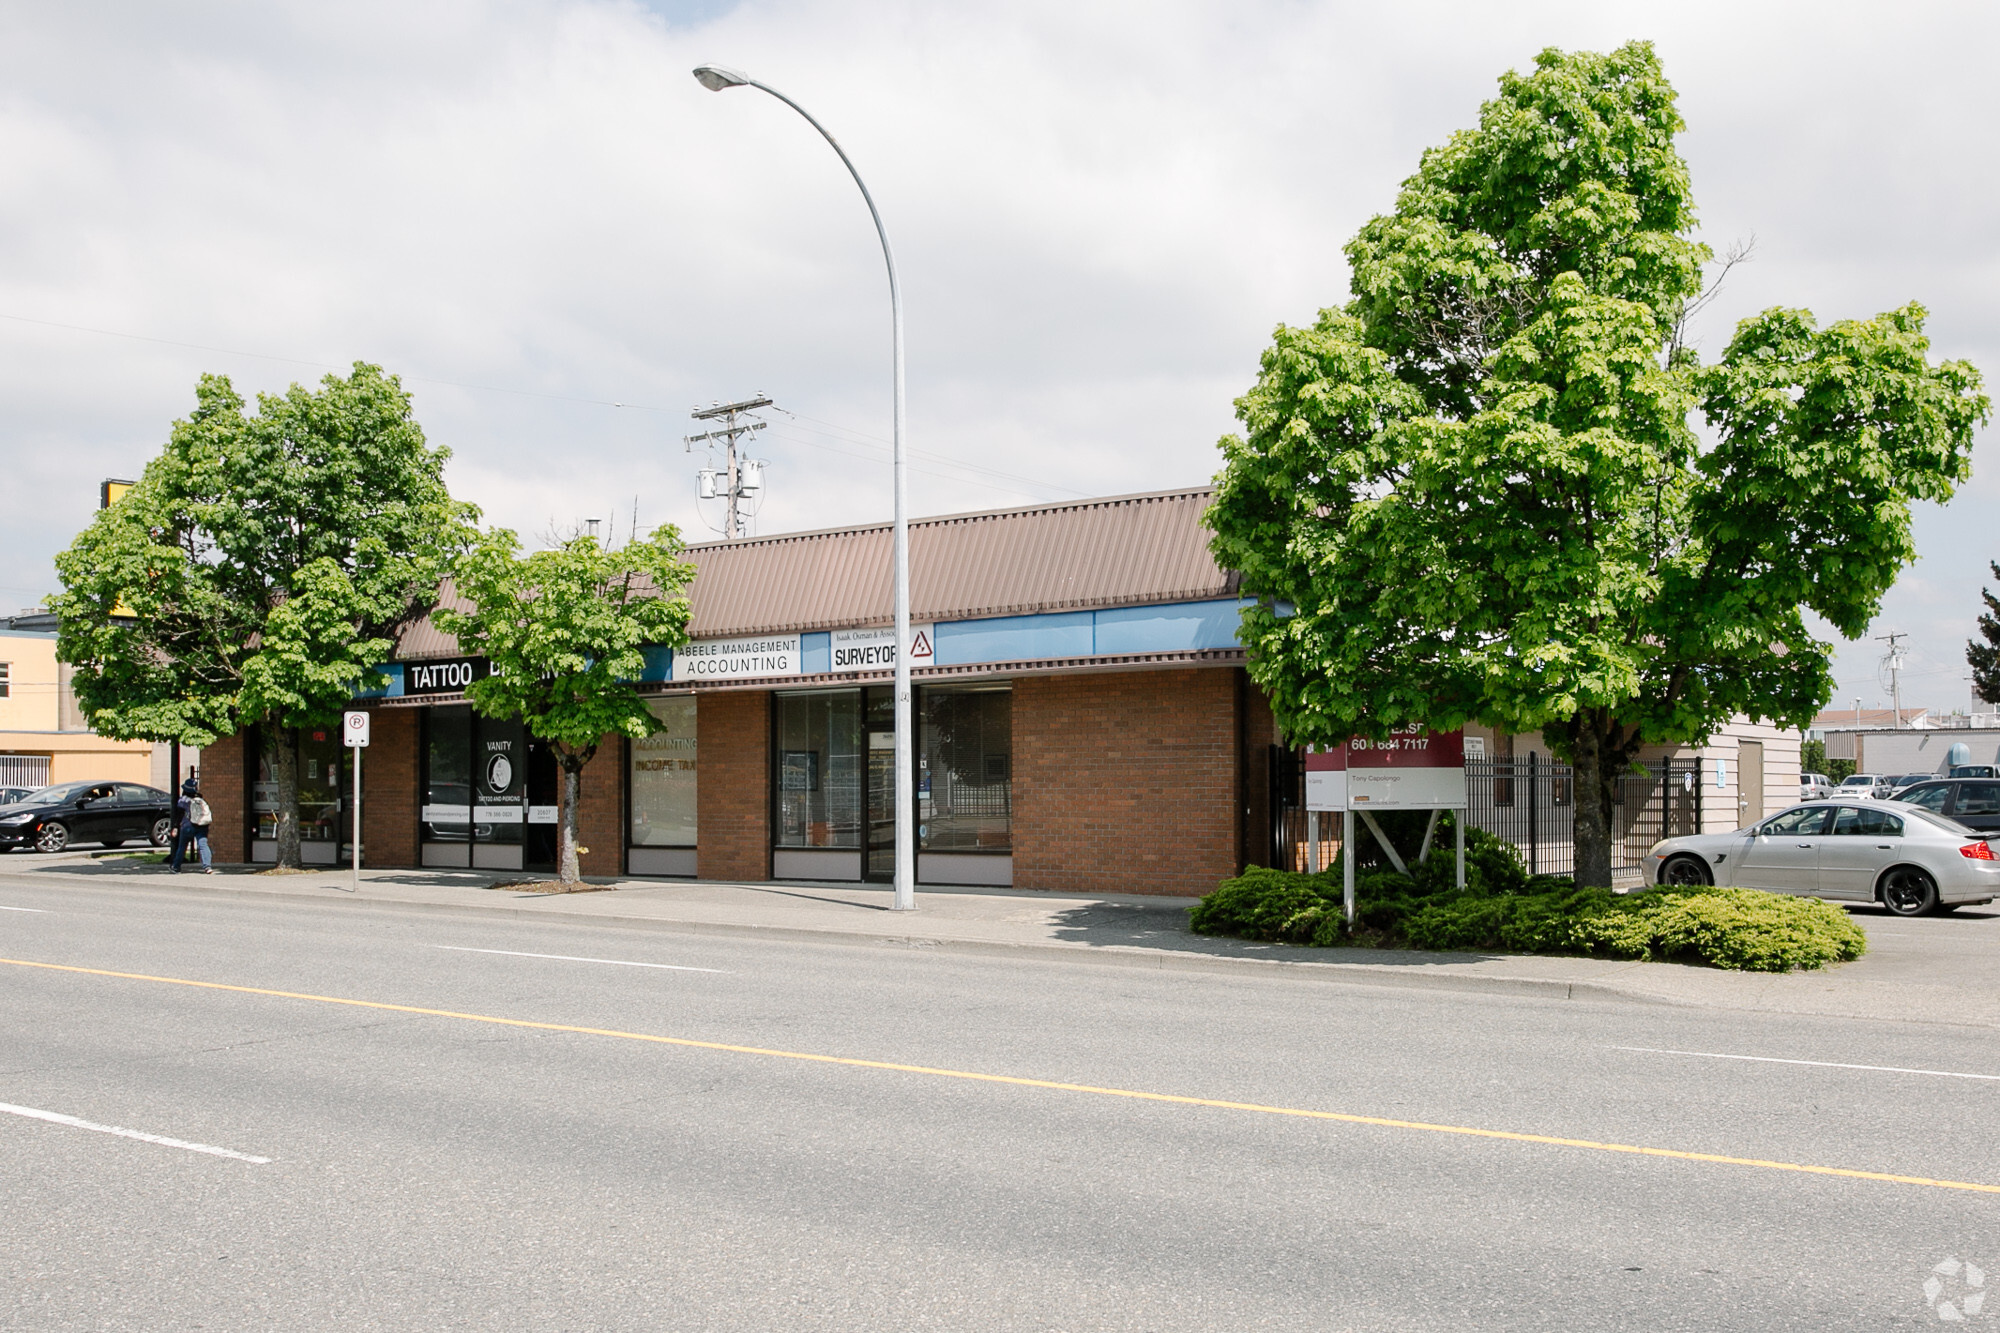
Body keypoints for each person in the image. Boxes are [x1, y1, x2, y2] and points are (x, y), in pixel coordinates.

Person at [168, 778, 196, 872]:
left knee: (182, 847)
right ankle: (207, 866)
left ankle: (176, 866)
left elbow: (179, 814)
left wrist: (175, 827)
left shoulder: (182, 800)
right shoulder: (198, 799)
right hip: (199, 825)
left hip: (186, 826)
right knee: (203, 845)